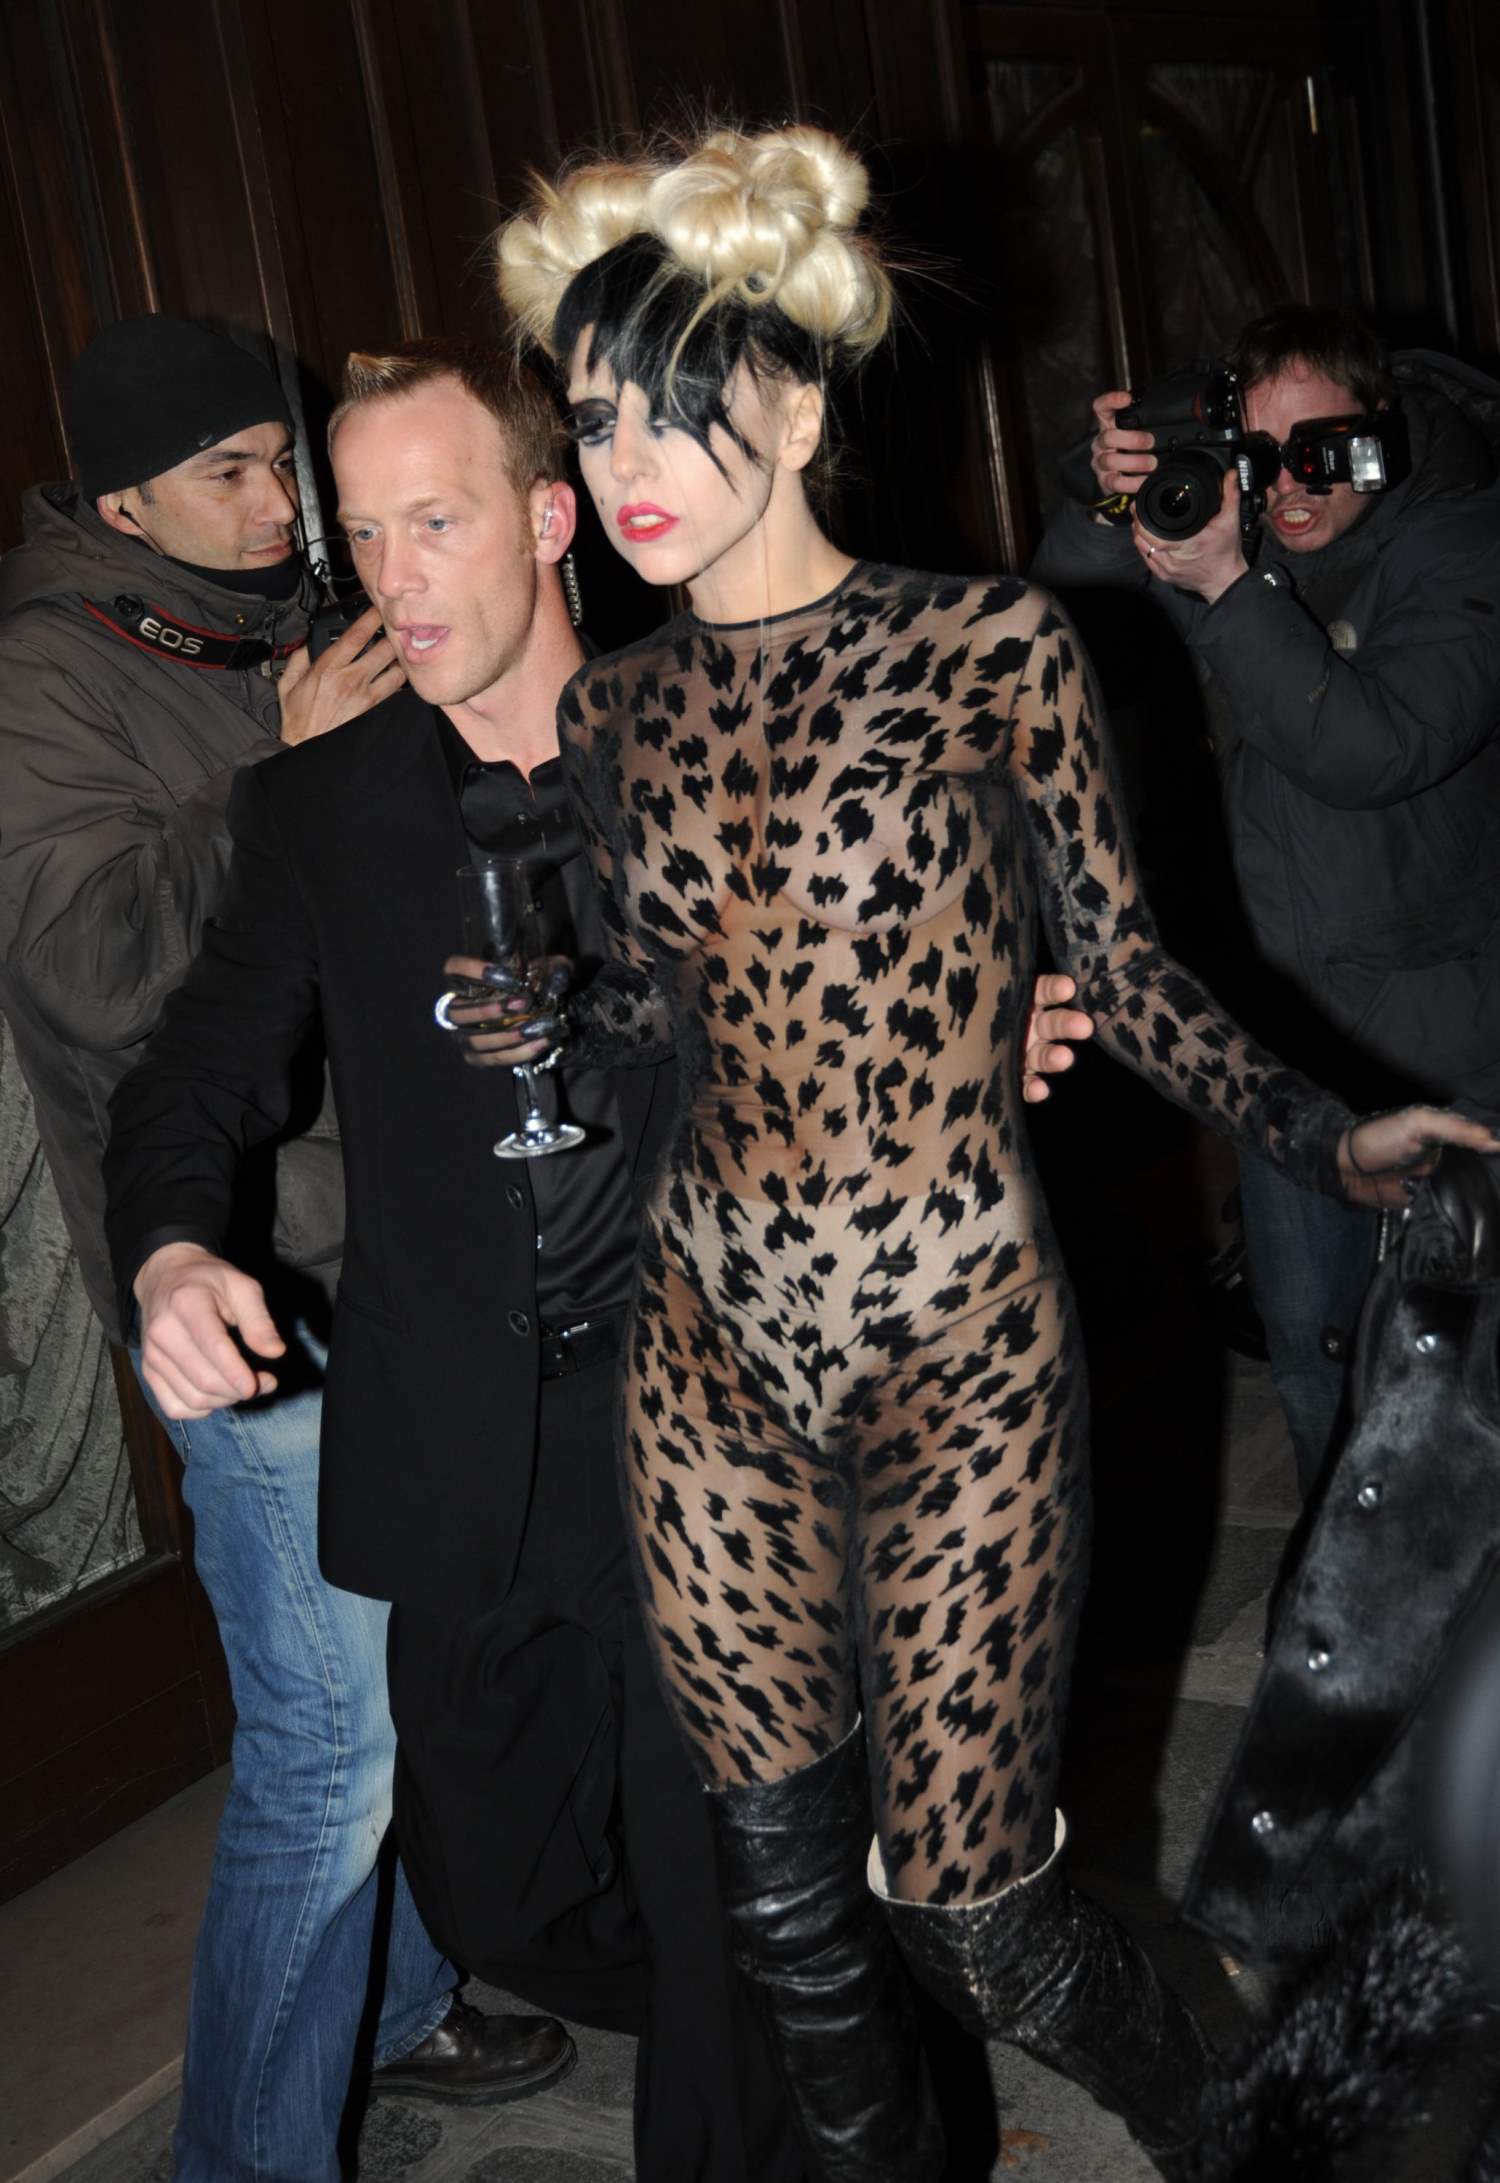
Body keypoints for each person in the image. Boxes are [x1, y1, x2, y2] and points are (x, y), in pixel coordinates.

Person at [487, 125, 1500, 2180]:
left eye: (672, 404)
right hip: (710, 1350)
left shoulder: (992, 649)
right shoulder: (614, 716)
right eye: (593, 423)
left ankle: (1240, 2132)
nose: (626, 464)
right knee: (792, 1919)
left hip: (956, 1344)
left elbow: (1126, 971)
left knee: (976, 1913)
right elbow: (688, 1003)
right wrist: (565, 1013)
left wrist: (1329, 1131)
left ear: (794, 402)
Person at [100, 332, 1085, 2183]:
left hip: (723, 1428)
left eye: (436, 523)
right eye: (361, 533)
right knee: (499, 1886)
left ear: (551, 520)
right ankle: (836, 1990)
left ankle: (779, 2034)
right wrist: (167, 1251)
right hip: (468, 1452)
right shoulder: (318, 808)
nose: (392, 579)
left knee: (728, 1918)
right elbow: (196, 1065)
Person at [0, 314, 569, 2183]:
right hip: (240, 1280)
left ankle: (393, 2002)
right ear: (124, 501)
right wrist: (280, 752)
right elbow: (96, 978)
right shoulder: (47, 673)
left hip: (395, 1239)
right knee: (327, 1751)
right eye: (230, 472)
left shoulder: (282, 623)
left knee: (408, 1689)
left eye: (285, 466)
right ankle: (245, 2154)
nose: (281, 506)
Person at [1031, 307, 1500, 1497]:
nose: (1289, 486)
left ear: (1381, 433)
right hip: (1283, 1048)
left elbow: (1376, 747)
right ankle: (1333, 1603)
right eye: (1261, 454)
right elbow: (1063, 613)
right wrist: (1109, 494)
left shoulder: (1460, 541)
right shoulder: (1232, 541)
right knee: (1314, 1363)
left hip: (1449, 1037)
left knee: (1468, 1383)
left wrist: (1232, 587)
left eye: (1320, 452)